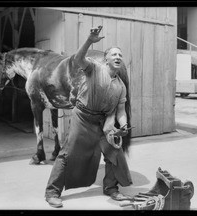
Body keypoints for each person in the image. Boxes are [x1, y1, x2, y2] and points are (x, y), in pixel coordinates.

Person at [45, 26, 133, 208]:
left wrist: (123, 125)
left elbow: (121, 111)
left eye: (120, 55)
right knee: (67, 153)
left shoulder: (120, 86)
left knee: (114, 152)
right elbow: (78, 59)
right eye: (114, 54)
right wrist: (89, 41)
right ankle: (52, 192)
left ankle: (111, 188)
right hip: (83, 117)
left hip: (104, 121)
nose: (118, 57)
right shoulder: (94, 68)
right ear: (106, 59)